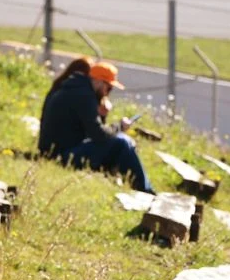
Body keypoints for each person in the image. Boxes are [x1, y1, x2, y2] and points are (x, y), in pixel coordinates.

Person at [38, 60, 153, 193]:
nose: (107, 93)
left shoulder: (76, 89)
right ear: (98, 81)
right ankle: (145, 190)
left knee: (118, 142)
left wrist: (102, 116)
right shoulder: (84, 95)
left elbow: (92, 131)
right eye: (108, 88)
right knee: (122, 142)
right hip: (62, 156)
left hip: (57, 152)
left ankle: (136, 185)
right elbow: (98, 135)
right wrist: (119, 127)